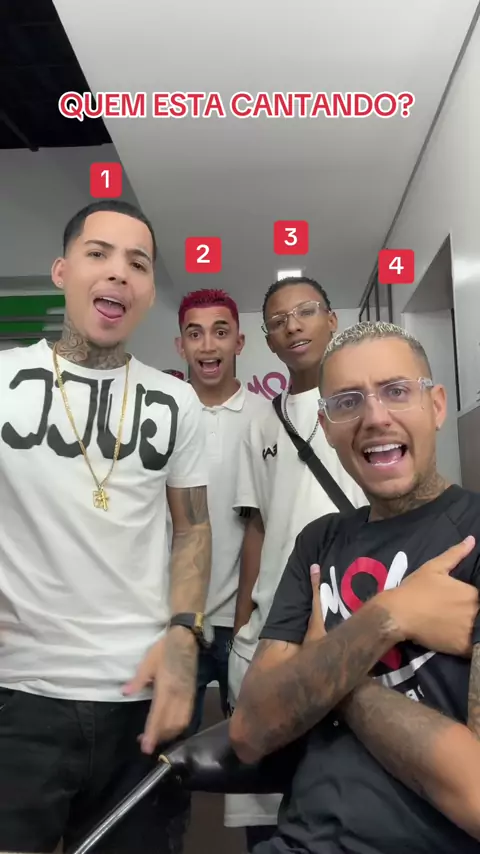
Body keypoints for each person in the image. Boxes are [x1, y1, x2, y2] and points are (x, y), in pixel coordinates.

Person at [0, 199, 213, 854]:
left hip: (142, 699)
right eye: (99, 254)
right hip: (17, 695)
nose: (119, 272)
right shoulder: (4, 380)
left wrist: (184, 636)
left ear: (148, 292)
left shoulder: (176, 401)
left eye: (138, 264)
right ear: (63, 271)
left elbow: (193, 530)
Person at [230, 320, 480, 854]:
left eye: (396, 391)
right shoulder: (319, 543)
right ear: (326, 426)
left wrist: (327, 672)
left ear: (436, 405)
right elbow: (250, 730)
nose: (375, 417)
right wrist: (388, 617)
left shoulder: (474, 537)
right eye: (347, 402)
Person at [225, 276, 367, 849]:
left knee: (354, 787)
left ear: (331, 320)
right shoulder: (260, 424)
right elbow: (257, 529)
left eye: (305, 311)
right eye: (278, 321)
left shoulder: (364, 405)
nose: (293, 326)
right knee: (266, 789)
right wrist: (243, 624)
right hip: (274, 631)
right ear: (268, 340)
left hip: (355, 617)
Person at [174, 288, 268, 730]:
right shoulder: (165, 417)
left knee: (249, 746)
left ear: (239, 342)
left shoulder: (267, 418)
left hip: (247, 620)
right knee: (170, 752)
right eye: (195, 334)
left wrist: (251, 620)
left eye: (220, 332)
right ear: (180, 345)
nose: (208, 345)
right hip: (176, 620)